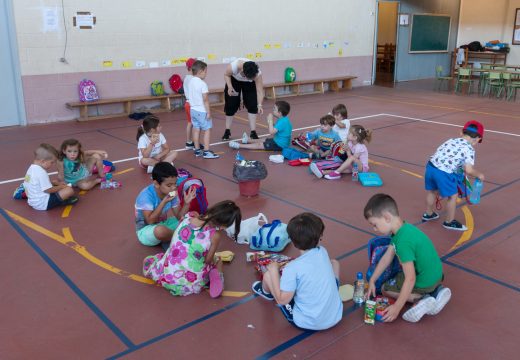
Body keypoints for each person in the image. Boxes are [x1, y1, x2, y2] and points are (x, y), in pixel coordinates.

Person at [364, 193, 451, 323]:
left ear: (387, 217)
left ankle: (423, 298)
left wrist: (397, 307)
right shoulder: (404, 229)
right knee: (398, 275)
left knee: (385, 289)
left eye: (375, 224)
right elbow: (386, 258)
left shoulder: (402, 243)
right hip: (436, 275)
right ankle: (436, 291)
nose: (374, 229)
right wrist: (372, 280)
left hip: (424, 281)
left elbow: (410, 278)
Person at [252, 212, 343, 330]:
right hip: (335, 315)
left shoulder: (293, 268)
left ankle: (265, 292)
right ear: (320, 236)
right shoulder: (323, 251)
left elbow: (282, 300)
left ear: (292, 241)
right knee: (334, 263)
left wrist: (274, 270)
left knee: (269, 275)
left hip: (308, 322)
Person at [143, 200, 242, 298]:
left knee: (172, 255)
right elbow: (208, 260)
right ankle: (218, 277)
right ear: (222, 225)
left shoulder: (189, 216)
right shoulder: (214, 235)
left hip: (168, 272)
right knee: (218, 260)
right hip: (190, 280)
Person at [423, 120, 485, 231]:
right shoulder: (469, 149)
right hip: (443, 173)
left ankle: (428, 213)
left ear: (461, 132)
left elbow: (445, 156)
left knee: (432, 191)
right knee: (453, 196)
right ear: (478, 139)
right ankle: (449, 222)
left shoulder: (451, 140)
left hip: (430, 167)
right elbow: (468, 169)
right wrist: (479, 174)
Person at [134, 162, 195, 246]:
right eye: (169, 185)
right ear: (156, 184)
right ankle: (181, 236)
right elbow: (150, 221)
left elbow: (179, 217)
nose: (173, 187)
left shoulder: (171, 192)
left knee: (192, 216)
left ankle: (174, 236)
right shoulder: (146, 196)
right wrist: (164, 202)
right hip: (146, 231)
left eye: (175, 183)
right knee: (160, 231)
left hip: (164, 223)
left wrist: (187, 203)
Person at [23, 143, 78, 211]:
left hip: (33, 202)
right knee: (69, 190)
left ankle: (58, 195)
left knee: (54, 182)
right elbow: (48, 190)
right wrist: (61, 187)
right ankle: (61, 202)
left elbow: (27, 186)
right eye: (51, 162)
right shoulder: (41, 172)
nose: (52, 165)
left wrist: (55, 184)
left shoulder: (31, 169)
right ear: (43, 161)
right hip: (43, 204)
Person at [222, 58, 264, 140]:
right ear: (244, 72)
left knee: (252, 104)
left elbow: (259, 91)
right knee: (231, 104)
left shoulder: (257, 74)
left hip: (249, 84)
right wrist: (230, 87)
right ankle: (227, 131)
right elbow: (226, 75)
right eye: (249, 77)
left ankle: (253, 132)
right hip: (234, 80)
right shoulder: (234, 66)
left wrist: (259, 105)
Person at [228, 100, 292, 151]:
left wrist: (270, 120)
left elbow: (271, 132)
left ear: (280, 113)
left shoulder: (283, 121)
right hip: (278, 140)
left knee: (260, 145)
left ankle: (239, 145)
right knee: (264, 139)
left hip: (279, 145)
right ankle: (247, 140)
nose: (273, 110)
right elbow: (275, 129)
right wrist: (270, 123)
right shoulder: (283, 119)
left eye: (274, 109)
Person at [188, 60, 219, 159]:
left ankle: (197, 150)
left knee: (196, 130)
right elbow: (205, 100)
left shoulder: (190, 81)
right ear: (201, 71)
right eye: (205, 71)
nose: (206, 74)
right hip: (202, 111)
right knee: (207, 130)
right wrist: (208, 112)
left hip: (192, 110)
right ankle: (206, 151)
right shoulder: (202, 84)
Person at [182, 58, 197, 149]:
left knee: (190, 123)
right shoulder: (193, 79)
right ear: (192, 67)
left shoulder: (187, 78)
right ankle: (196, 144)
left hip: (187, 103)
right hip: (192, 104)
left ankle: (189, 142)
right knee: (196, 124)